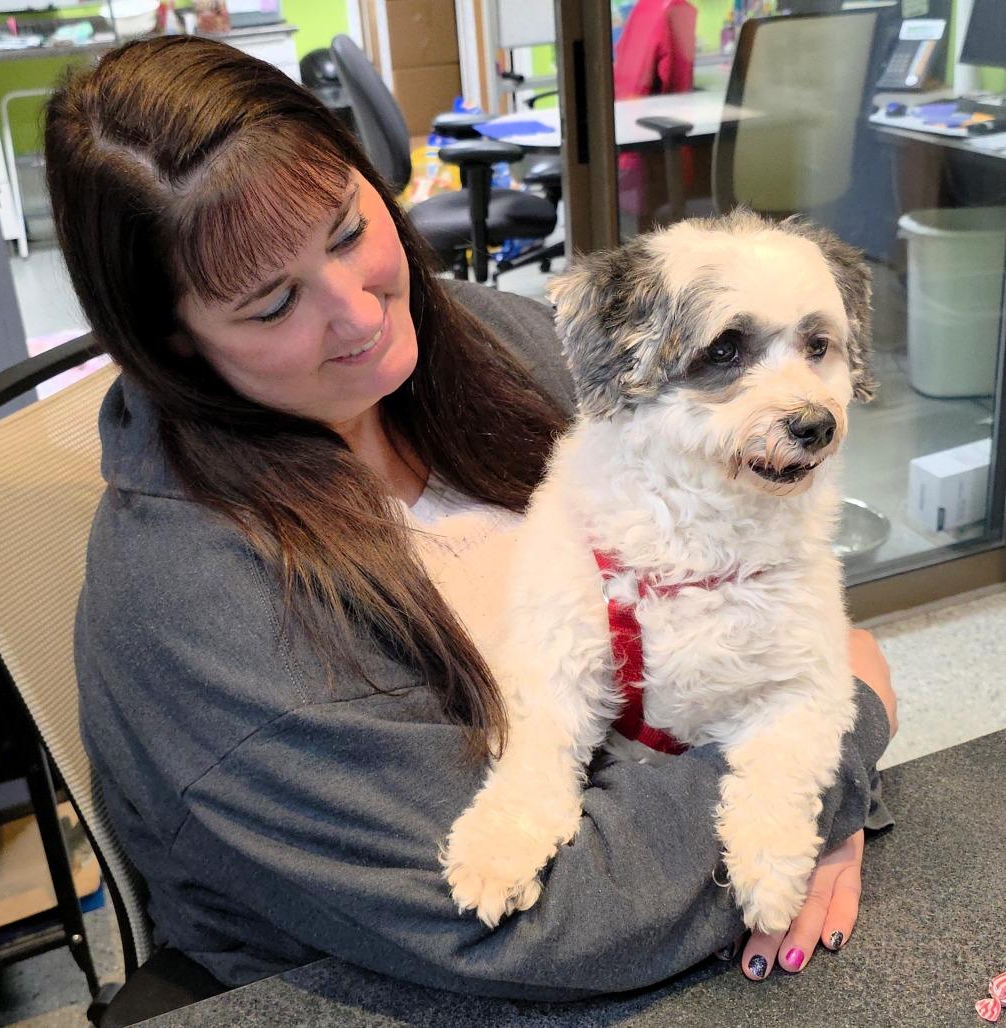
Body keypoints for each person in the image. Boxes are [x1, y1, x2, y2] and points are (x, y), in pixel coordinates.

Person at [46, 34, 896, 1004]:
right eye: (274, 301)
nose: (357, 314)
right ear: (172, 338)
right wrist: (847, 729)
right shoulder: (192, 605)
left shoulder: (492, 340)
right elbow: (528, 920)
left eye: (342, 230)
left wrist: (804, 774)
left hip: (670, 899)